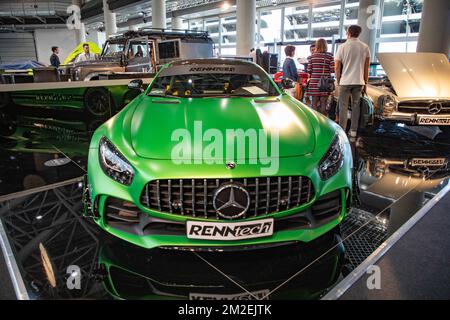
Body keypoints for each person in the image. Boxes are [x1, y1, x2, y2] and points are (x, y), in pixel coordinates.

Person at [335, 24, 370, 138]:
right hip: (359, 81)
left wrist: (338, 79)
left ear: (348, 33)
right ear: (359, 33)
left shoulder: (342, 47)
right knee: (356, 107)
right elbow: (366, 67)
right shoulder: (365, 47)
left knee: (343, 107)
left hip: (345, 81)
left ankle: (342, 131)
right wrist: (366, 82)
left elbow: (337, 66)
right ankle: (353, 131)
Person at [306, 39, 335, 115]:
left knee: (314, 102)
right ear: (326, 45)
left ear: (317, 45)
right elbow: (333, 70)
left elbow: (309, 70)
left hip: (314, 81)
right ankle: (324, 122)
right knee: (323, 103)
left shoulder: (312, 56)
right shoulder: (330, 56)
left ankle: (314, 121)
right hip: (325, 82)